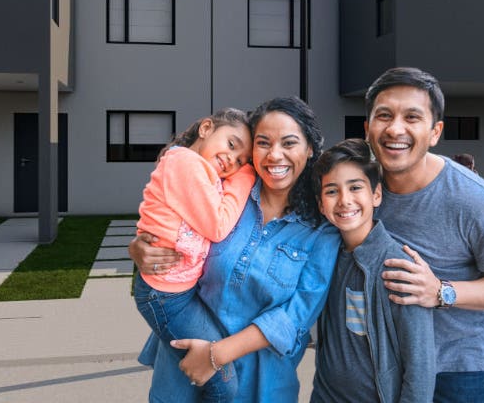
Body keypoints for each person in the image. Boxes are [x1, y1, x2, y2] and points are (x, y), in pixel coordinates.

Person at [129, 97, 341, 403]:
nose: (275, 155)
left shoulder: (320, 228)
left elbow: (294, 317)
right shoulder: (225, 193)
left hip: (258, 381)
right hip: (182, 365)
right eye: (263, 143)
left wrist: (216, 354)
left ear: (309, 149)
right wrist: (140, 247)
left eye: (289, 143)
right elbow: (168, 224)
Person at [364, 67, 484, 403]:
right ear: (368, 128)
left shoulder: (474, 200)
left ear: (435, 132)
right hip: (383, 364)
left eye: (412, 116)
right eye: (383, 115)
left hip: (457, 372)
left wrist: (441, 292)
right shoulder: (359, 190)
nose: (395, 128)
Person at [133, 107, 256, 401]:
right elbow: (217, 225)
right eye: (231, 144)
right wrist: (246, 175)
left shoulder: (201, 170)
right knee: (223, 382)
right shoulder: (186, 163)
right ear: (206, 128)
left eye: (241, 160)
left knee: (209, 377)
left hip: (176, 293)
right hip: (167, 296)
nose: (233, 161)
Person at [309, 139, 435, 403]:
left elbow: (420, 365)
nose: (345, 200)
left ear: (376, 195)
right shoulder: (325, 256)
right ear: (321, 204)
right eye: (331, 191)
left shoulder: (398, 266)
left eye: (355, 187)